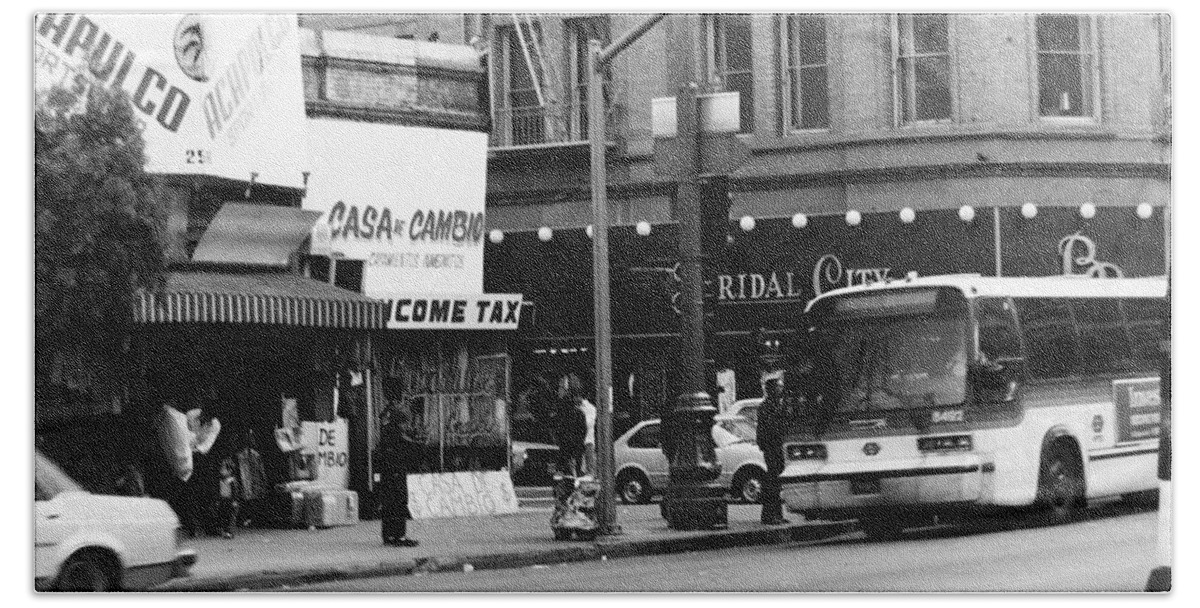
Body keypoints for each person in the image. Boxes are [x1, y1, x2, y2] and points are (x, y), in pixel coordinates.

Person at [378, 407, 421, 547]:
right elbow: (411, 447)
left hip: (387, 475)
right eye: (404, 422)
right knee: (400, 504)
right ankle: (399, 536)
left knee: (388, 506)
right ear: (399, 422)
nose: (405, 425)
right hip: (396, 474)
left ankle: (388, 536)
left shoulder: (386, 432)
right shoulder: (397, 434)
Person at [756, 370, 789, 525]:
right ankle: (770, 515)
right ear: (771, 390)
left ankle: (776, 514)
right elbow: (770, 427)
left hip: (775, 446)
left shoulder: (776, 405)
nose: (780, 390)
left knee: (775, 481)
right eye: (778, 387)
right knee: (773, 481)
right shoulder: (766, 407)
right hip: (772, 447)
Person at [552, 376, 587, 477]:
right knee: (576, 470)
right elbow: (582, 431)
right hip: (576, 446)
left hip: (565, 446)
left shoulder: (561, 413)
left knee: (564, 471)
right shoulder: (579, 414)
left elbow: (557, 429)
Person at [216, 458, 240, 539]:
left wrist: (235, 500)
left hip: (231, 500)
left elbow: (235, 491)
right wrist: (218, 500)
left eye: (223, 469)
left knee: (231, 517)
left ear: (229, 471)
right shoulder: (221, 480)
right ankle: (225, 531)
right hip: (223, 500)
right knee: (224, 516)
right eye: (221, 469)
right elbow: (219, 491)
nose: (221, 471)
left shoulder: (232, 480)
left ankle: (230, 532)